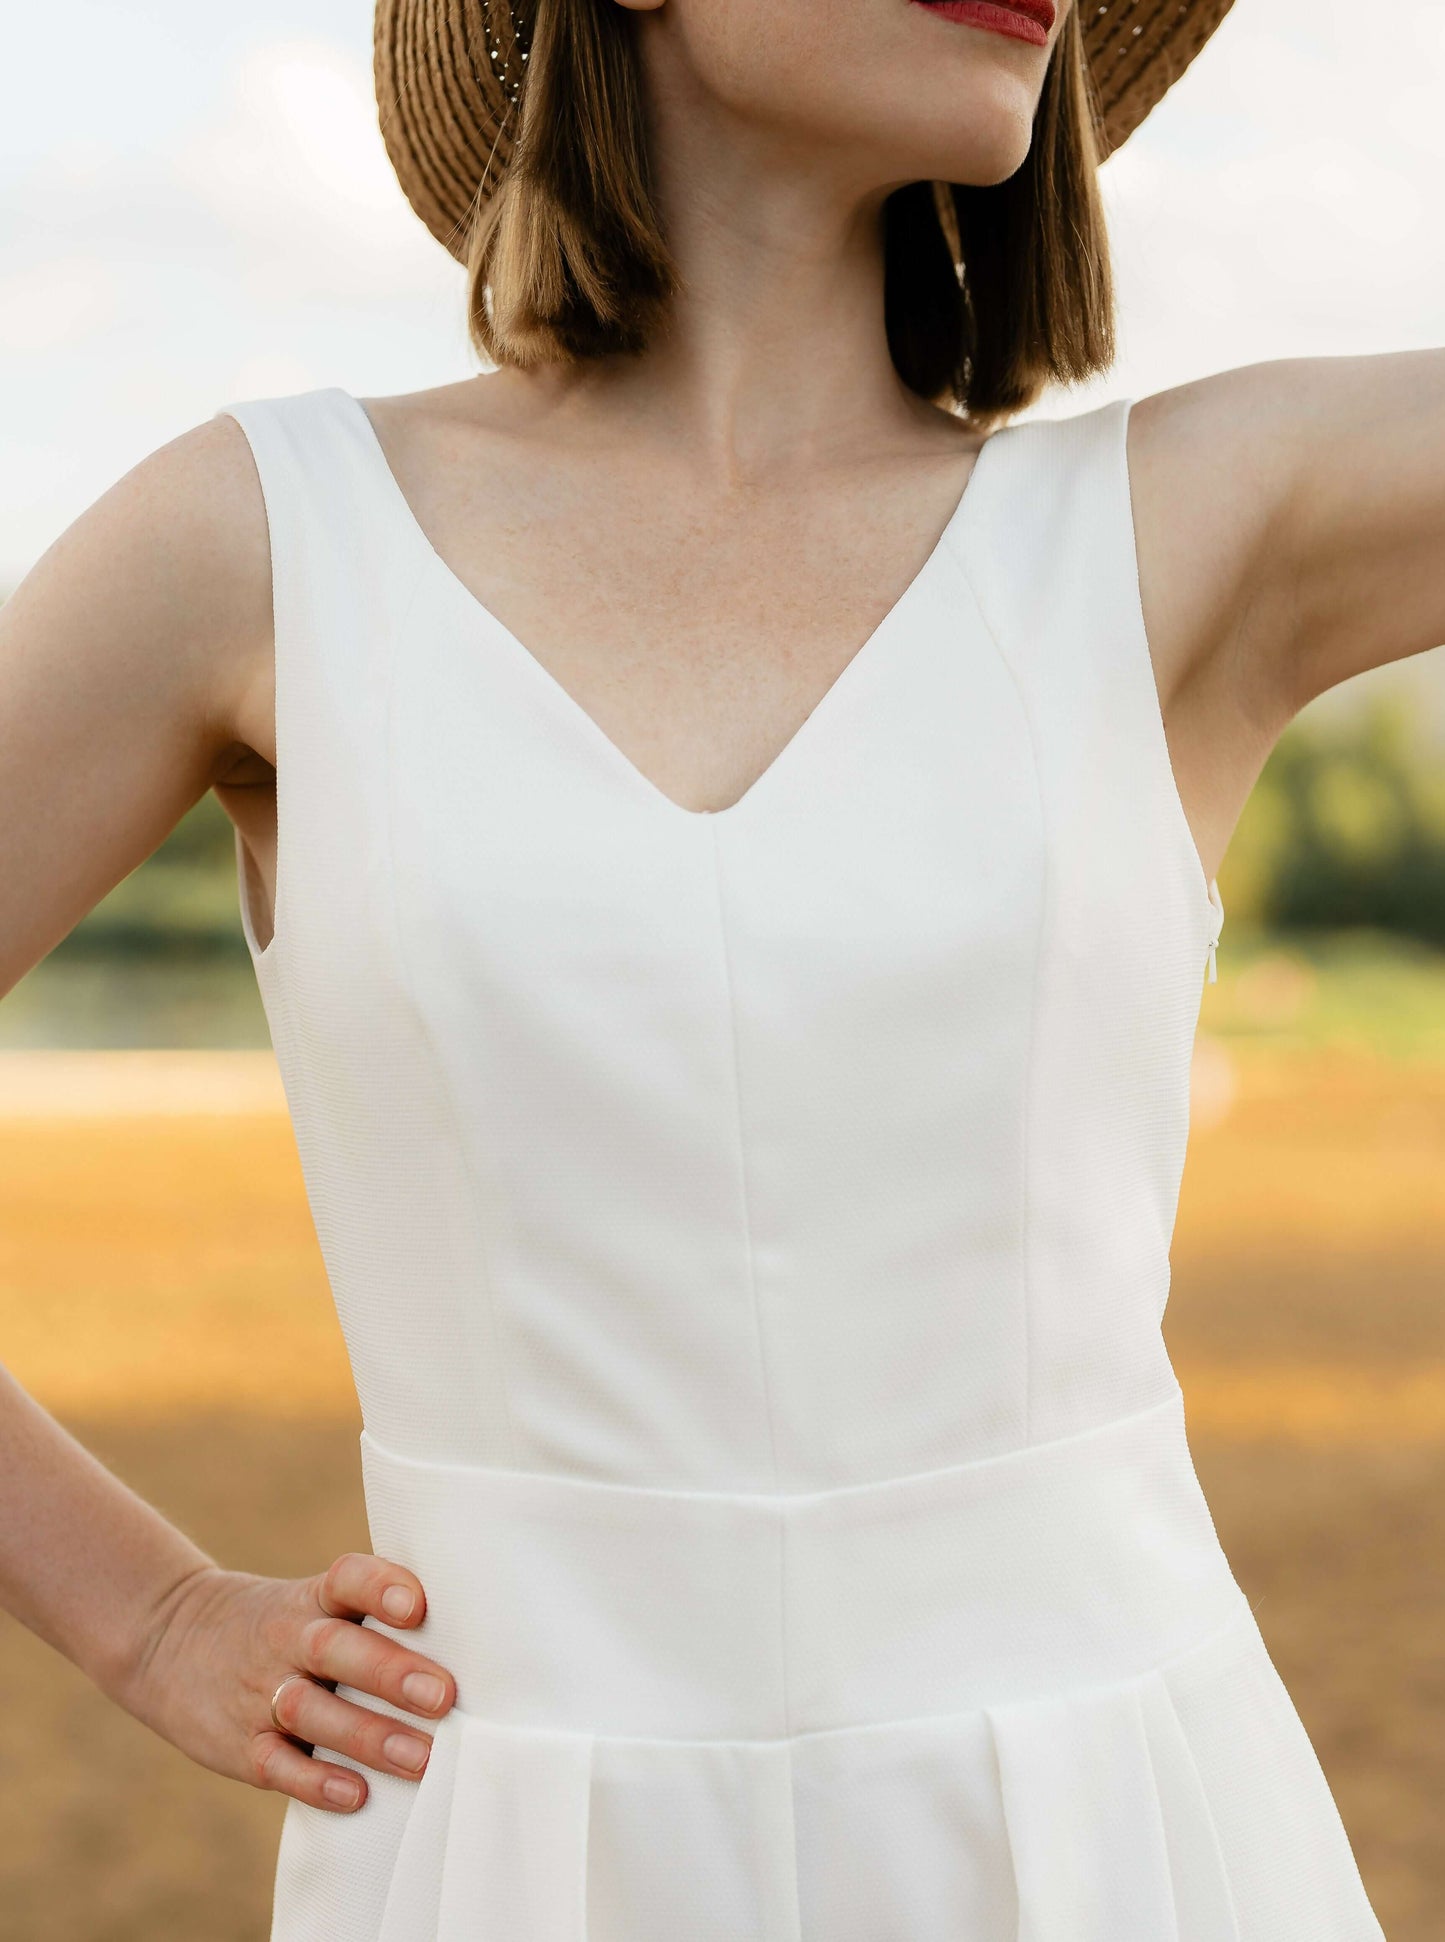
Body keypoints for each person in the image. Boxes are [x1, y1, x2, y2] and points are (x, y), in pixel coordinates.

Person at [0, 0, 1436, 1933]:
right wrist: (147, 1614)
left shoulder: (1195, 524)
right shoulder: (256, 543)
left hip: (1125, 1833)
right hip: (502, 1844)